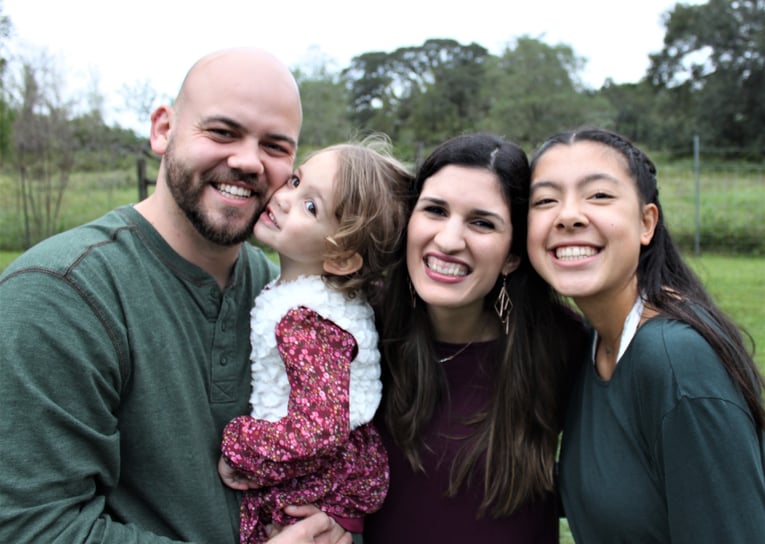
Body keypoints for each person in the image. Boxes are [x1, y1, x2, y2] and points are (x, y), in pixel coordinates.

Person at [0, 46, 349, 543]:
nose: (248, 161)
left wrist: (334, 523)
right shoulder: (57, 296)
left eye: (275, 146)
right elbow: (32, 527)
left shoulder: (287, 295)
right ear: (163, 129)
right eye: (223, 132)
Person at [526, 127, 765, 542]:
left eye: (598, 195)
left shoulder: (673, 358)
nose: (568, 215)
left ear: (646, 223)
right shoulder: (594, 342)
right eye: (545, 200)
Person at [363, 132, 586, 542]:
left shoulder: (565, 344)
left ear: (513, 256)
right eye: (435, 210)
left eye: (481, 222)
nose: (448, 241)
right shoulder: (357, 332)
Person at [217, 137, 411, 543]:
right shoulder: (322, 298)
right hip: (326, 476)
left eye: (311, 206)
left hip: (305, 484)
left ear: (340, 258)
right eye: (295, 181)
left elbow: (316, 432)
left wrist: (241, 446)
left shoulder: (308, 323)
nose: (286, 199)